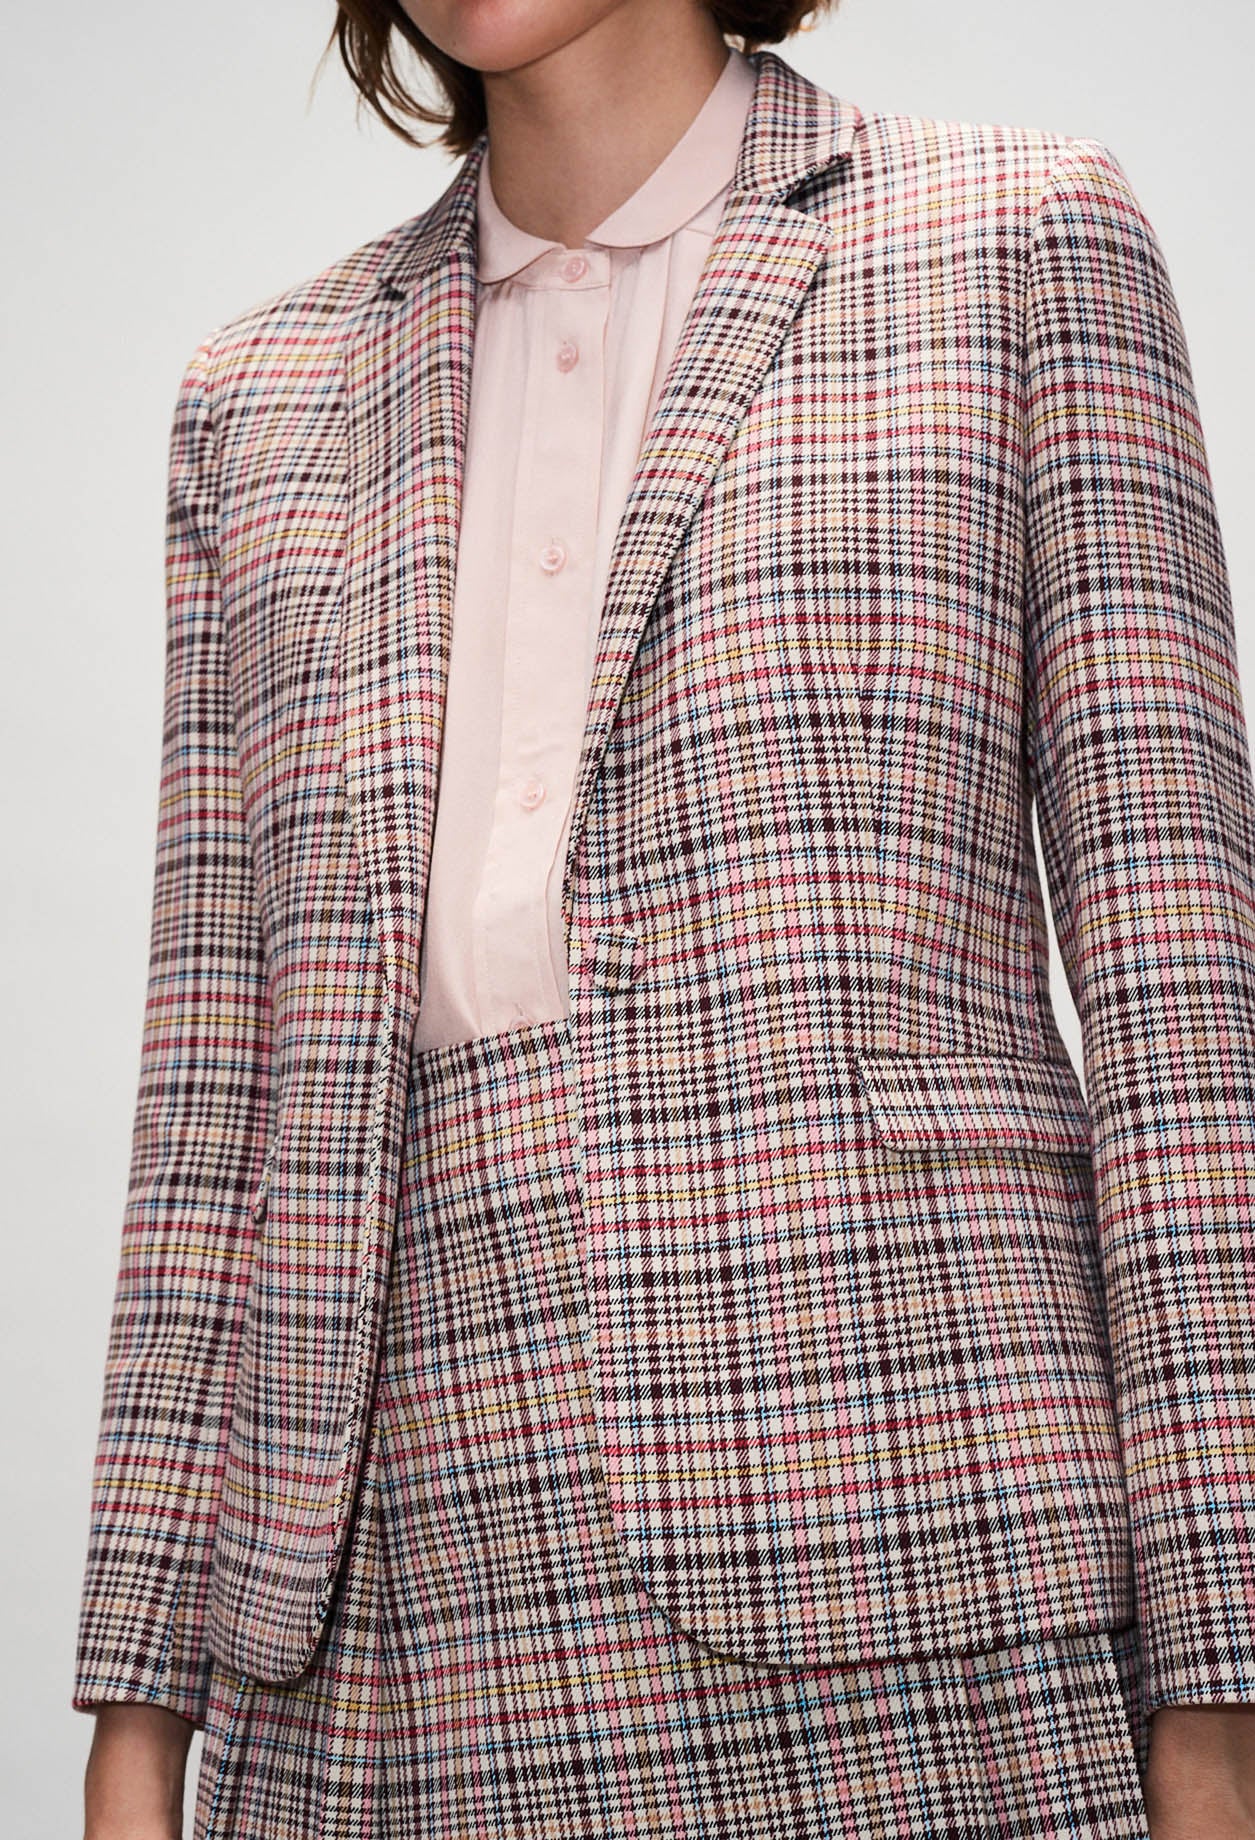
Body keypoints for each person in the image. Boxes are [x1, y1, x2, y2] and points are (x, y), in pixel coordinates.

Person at [75, 2, 1255, 1836]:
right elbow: (217, 1100)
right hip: (380, 1642)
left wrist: (1221, 1695)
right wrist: (137, 1713)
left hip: (911, 1567)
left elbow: (1188, 1018)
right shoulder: (262, 395)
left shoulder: (1012, 240)